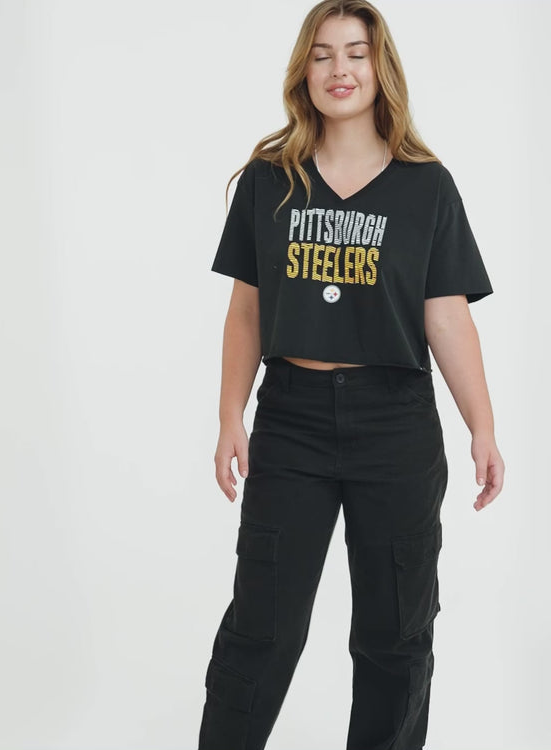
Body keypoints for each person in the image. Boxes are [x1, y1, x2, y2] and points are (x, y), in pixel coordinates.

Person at [197, 1, 505, 748]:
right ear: (304, 71)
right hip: (292, 419)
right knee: (262, 627)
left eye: (357, 53)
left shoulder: (427, 187)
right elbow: (246, 312)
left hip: (394, 421)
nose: (341, 69)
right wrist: (231, 416)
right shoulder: (270, 180)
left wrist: (484, 427)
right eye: (324, 53)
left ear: (380, 67)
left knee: (395, 633)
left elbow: (447, 317)